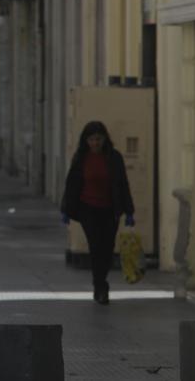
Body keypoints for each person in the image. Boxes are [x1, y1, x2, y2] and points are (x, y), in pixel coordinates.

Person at [60, 121, 135, 305]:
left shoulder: (114, 157)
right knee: (95, 246)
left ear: (104, 139)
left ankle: (99, 283)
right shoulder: (81, 158)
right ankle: (100, 287)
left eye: (98, 139)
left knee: (107, 249)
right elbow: (72, 185)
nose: (95, 143)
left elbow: (122, 184)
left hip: (110, 209)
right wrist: (66, 210)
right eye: (92, 139)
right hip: (88, 208)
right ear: (86, 141)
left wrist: (129, 211)